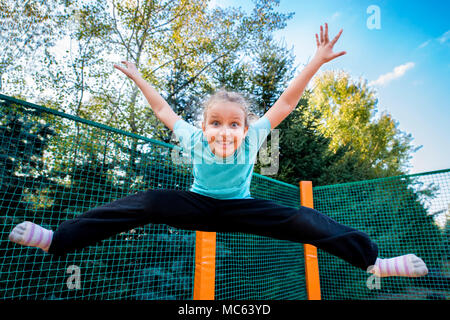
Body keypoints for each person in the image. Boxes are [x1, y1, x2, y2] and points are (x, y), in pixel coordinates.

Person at [9, 23, 428, 279]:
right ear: (204, 126)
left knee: (304, 218)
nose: (225, 132)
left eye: (234, 124)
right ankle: (57, 239)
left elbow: (285, 103)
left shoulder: (254, 137)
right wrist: (138, 76)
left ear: (245, 129)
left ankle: (374, 261)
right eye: (215, 123)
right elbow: (161, 108)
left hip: (241, 208)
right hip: (197, 205)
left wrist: (316, 62)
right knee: (149, 200)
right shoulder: (191, 138)